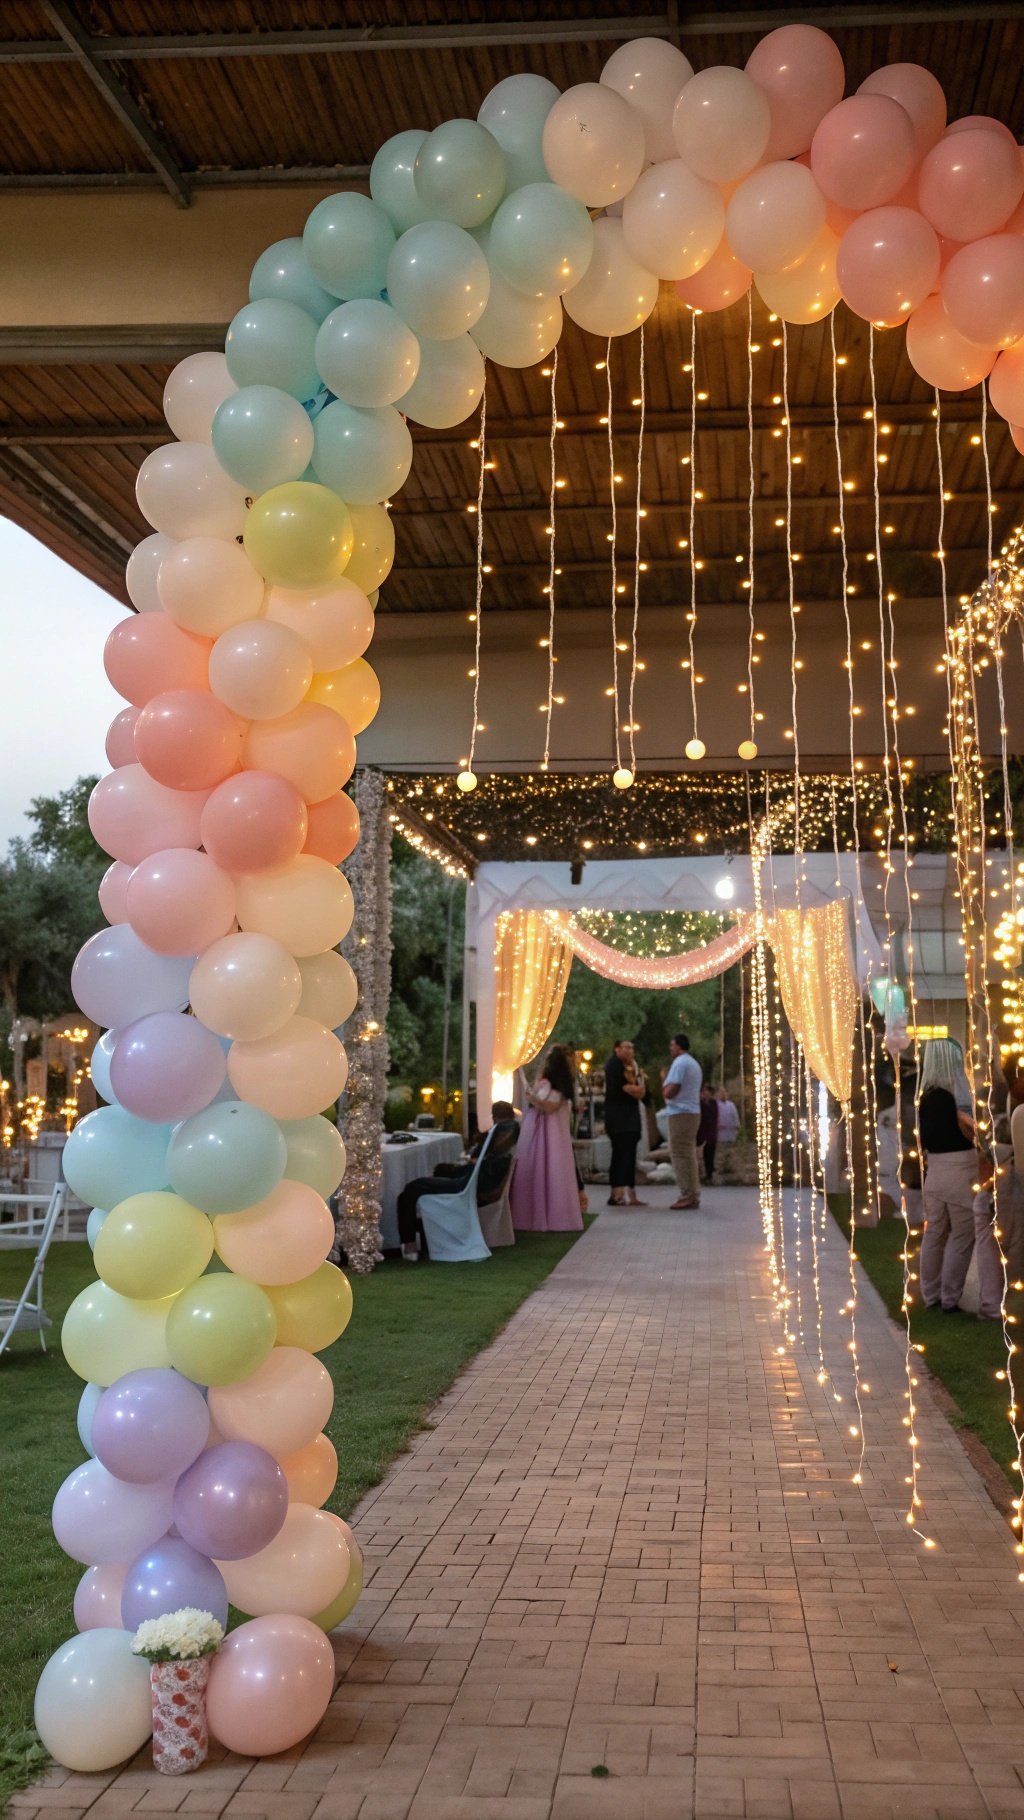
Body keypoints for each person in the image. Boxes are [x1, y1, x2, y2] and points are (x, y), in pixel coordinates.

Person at [397, 1102, 518, 1261]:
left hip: (466, 1186)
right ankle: (419, 1240)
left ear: (495, 1116)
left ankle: (410, 1244)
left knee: (410, 1190)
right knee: (428, 1179)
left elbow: (475, 1162)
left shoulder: (494, 1142)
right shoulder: (504, 1146)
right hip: (473, 1182)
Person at [918, 1037, 979, 1313]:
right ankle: (950, 1298)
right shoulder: (955, 1097)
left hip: (934, 1171)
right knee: (962, 1234)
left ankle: (930, 1295)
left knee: (935, 1233)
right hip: (960, 1169)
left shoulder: (926, 1097)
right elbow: (972, 1132)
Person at [509, 1045, 584, 1233]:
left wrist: (532, 1098)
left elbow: (549, 1107)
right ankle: (553, 1214)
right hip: (551, 1134)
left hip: (545, 1133)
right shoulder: (562, 1085)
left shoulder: (553, 1085)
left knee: (545, 1167)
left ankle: (537, 1215)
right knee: (552, 1170)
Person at [602, 1039, 648, 1209]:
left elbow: (641, 1090)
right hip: (618, 1120)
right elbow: (628, 1089)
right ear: (617, 1049)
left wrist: (639, 1090)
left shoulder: (634, 1066)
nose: (630, 1051)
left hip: (630, 1119)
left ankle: (630, 1194)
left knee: (629, 1156)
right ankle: (617, 1194)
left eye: (631, 1048)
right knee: (620, 1155)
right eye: (626, 1047)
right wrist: (637, 1090)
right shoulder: (614, 1065)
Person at [662, 1033, 702, 1210]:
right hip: (692, 1112)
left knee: (679, 1154)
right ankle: (693, 1193)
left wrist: (664, 1083)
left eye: (672, 1046)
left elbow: (672, 1089)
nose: (670, 1049)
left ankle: (687, 1193)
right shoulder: (693, 1063)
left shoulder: (680, 1063)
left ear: (678, 1046)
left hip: (681, 1113)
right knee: (689, 1154)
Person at [697, 1081, 719, 1184]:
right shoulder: (699, 1104)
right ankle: (702, 1174)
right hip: (701, 1132)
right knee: (701, 1155)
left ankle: (709, 1175)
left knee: (710, 1155)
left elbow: (713, 1117)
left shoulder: (713, 1103)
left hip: (711, 1133)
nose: (705, 1093)